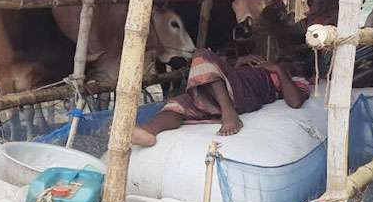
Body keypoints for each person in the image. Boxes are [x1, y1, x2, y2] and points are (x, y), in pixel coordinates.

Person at [132, 50, 312, 146]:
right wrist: (239, 63)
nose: (290, 63)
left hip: (245, 93)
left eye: (297, 63)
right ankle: (149, 131)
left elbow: (295, 101)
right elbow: (225, 76)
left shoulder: (296, 80)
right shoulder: (265, 65)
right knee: (179, 104)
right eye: (285, 60)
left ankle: (229, 113)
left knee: (202, 55)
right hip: (223, 91)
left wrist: (280, 71)